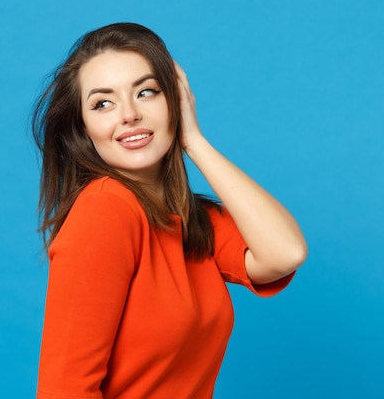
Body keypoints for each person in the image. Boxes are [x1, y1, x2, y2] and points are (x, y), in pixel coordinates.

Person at [31, 22, 307, 399]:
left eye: (146, 92)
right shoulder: (104, 209)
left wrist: (193, 140)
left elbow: (285, 253)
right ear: (83, 128)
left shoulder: (193, 219)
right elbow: (64, 391)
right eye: (103, 103)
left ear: (174, 102)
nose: (129, 114)